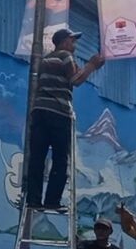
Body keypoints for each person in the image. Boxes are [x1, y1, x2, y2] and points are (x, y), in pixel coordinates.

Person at [27, 28, 104, 209]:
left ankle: (33, 200)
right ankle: (52, 201)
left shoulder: (45, 59)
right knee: (60, 159)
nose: (74, 44)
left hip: (39, 112)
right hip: (58, 113)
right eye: (72, 40)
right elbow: (76, 80)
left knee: (37, 158)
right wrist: (91, 65)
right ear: (63, 42)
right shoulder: (65, 56)